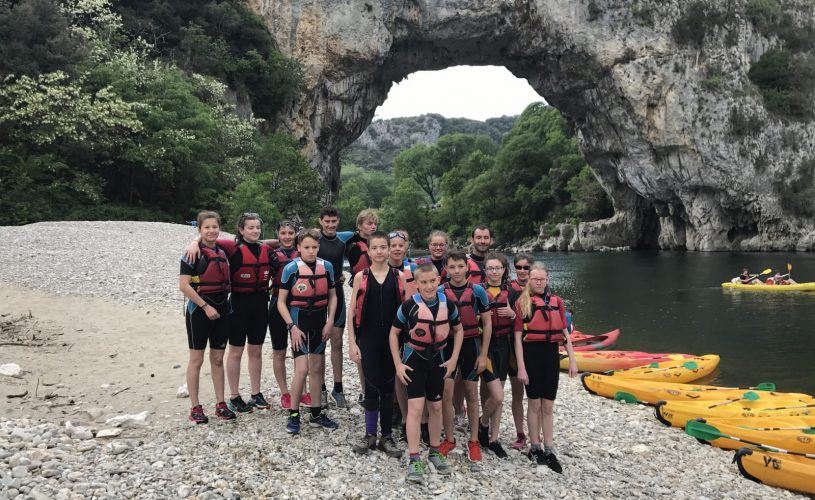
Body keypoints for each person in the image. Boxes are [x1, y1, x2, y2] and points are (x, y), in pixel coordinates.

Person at [183, 213, 279, 414]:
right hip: (237, 304)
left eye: (257, 227)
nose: (254, 230)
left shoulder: (265, 248)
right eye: (249, 227)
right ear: (241, 230)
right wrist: (194, 241)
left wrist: (287, 239)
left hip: (260, 303)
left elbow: (282, 241)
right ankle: (234, 395)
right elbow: (209, 236)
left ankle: (255, 393)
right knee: (235, 351)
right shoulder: (230, 246)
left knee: (256, 350)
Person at [390, 264, 463, 484]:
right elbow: (393, 335)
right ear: (417, 284)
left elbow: (458, 330)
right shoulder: (409, 306)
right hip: (415, 360)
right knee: (415, 408)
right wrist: (398, 365)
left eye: (433, 281)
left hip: (438, 361)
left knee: (437, 407)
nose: (429, 286)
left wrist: (454, 359)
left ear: (439, 281)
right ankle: (414, 458)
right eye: (424, 282)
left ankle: (434, 450)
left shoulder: (447, 305)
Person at [514, 263, 578, 473]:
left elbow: (564, 333)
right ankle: (535, 446)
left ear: (547, 279)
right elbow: (517, 340)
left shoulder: (557, 302)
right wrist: (521, 368)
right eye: (535, 279)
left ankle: (549, 448)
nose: (539, 282)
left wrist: (573, 360)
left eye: (542, 279)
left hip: (551, 356)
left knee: (548, 405)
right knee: (534, 404)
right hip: (531, 356)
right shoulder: (523, 303)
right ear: (529, 280)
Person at [348, 232, 405, 457]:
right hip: (368, 339)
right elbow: (352, 313)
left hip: (392, 341)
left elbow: (406, 313)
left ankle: (387, 436)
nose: (380, 251)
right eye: (375, 248)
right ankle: (370, 434)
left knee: (388, 387)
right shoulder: (361, 277)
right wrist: (352, 342)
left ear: (390, 250)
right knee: (371, 386)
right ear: (369, 251)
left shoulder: (399, 276)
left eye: (384, 247)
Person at [277, 228, 339, 434]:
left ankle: (315, 413)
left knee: (317, 367)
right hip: (298, 320)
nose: (311, 251)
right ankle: (294, 414)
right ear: (298, 248)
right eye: (306, 247)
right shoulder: (291, 269)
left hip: (320, 320)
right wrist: (291, 327)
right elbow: (281, 302)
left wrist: (330, 322)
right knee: (301, 368)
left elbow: (333, 296)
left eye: (314, 247)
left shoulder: (327, 267)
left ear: (319, 247)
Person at [178, 211, 236, 423]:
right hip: (199, 311)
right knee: (196, 359)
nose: (211, 231)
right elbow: (184, 286)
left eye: (215, 227)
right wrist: (205, 306)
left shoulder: (223, 250)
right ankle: (195, 407)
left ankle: (221, 404)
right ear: (200, 229)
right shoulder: (192, 253)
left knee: (218, 358)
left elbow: (252, 239)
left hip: (222, 309)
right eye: (207, 227)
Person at [437, 251, 493, 463]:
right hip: (448, 345)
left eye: (460, 266)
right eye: (452, 267)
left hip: (471, 345)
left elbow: (487, 323)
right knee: (447, 392)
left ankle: (473, 440)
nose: (457, 271)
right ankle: (449, 438)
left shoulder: (478, 291)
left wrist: (484, 354)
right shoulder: (441, 291)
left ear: (467, 268)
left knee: (471, 393)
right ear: (447, 269)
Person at [479, 253, 519, 459]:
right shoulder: (478, 291)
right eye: (490, 268)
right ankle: (482, 423)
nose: (494, 272)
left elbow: (523, 321)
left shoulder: (513, 292)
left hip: (504, 346)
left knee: (499, 396)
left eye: (498, 268)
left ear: (504, 270)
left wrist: (514, 316)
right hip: (485, 346)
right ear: (484, 271)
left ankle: (493, 439)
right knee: (496, 396)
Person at [316, 206, 356, 409]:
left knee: (337, 342)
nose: (330, 225)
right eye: (327, 222)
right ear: (320, 221)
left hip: (337, 293)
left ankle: (338, 388)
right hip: (317, 296)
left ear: (338, 221)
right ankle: (320, 388)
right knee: (320, 343)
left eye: (334, 221)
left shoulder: (343, 239)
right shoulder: (313, 238)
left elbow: (363, 234)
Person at [269, 220, 303, 410]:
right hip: (277, 305)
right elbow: (253, 243)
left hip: (300, 305)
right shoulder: (271, 254)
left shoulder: (304, 251)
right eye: (283, 233)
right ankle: (284, 393)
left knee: (300, 351)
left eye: (291, 233)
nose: (287, 236)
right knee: (279, 350)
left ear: (296, 234)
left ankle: (303, 391)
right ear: (278, 235)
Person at [509, 253, 534, 448]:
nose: (522, 270)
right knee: (517, 394)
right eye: (519, 267)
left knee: (535, 396)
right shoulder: (509, 289)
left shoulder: (540, 287)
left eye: (526, 267)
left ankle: (536, 434)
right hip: (512, 347)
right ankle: (520, 434)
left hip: (534, 347)